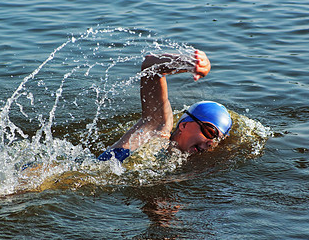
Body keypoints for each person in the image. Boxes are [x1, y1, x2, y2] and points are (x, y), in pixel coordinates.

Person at [98, 50, 232, 163]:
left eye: (216, 139)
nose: (210, 142)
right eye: (210, 132)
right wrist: (188, 62)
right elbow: (150, 67)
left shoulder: (190, 164)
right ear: (184, 125)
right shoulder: (157, 128)